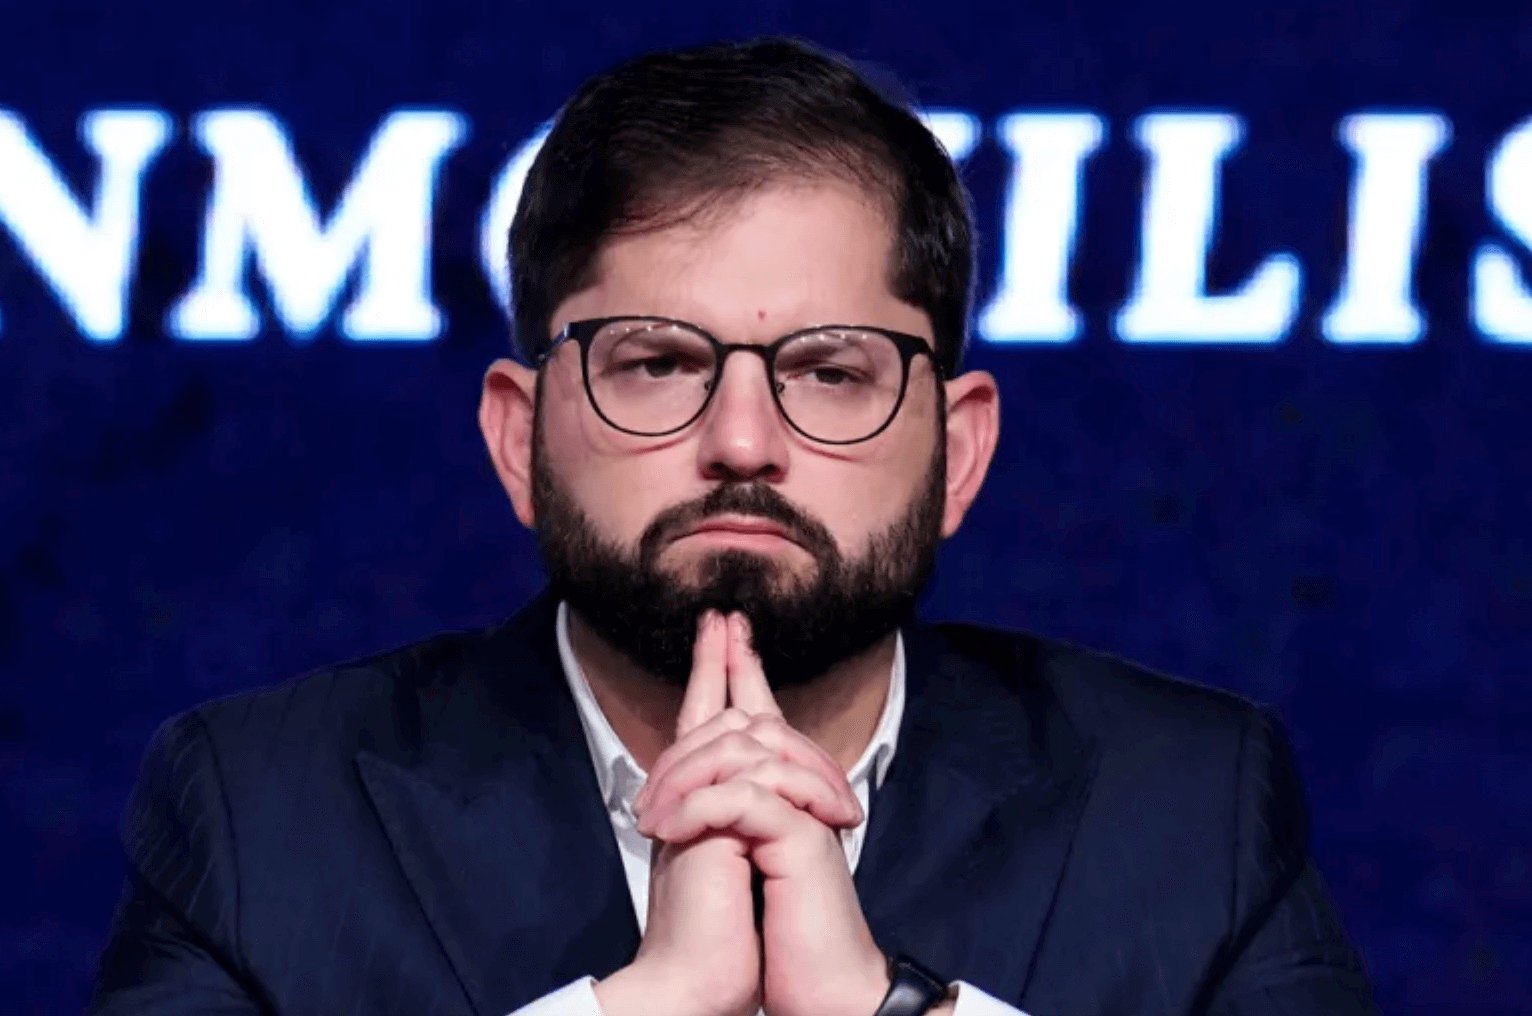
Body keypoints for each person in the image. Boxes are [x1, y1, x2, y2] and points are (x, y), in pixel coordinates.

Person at [87, 37, 1379, 1016]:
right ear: (518, 438)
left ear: (961, 449)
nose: (745, 441)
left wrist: (882, 1012)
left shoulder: (1190, 809)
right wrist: (634, 1012)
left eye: (833, 369)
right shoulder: (261, 815)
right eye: (658, 362)